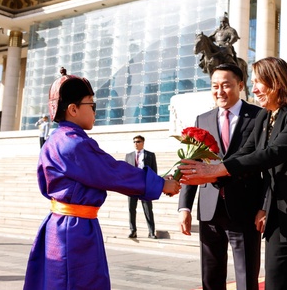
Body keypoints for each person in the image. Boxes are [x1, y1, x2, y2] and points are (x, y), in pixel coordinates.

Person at [178, 57, 287, 290]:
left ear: (276, 82)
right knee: (275, 282)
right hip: (280, 213)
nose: (254, 89)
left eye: (259, 82)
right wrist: (201, 175)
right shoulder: (265, 117)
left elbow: (275, 152)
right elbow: (245, 153)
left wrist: (216, 169)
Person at [23, 68, 180, 290]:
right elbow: (112, 172)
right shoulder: (73, 143)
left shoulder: (56, 140)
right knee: (76, 283)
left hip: (64, 224)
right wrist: (161, 183)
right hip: (73, 231)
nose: (96, 111)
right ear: (73, 109)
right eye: (92, 105)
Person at [178, 63, 263, 290]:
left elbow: (266, 167)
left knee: (246, 278)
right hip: (209, 211)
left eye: (226, 85)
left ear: (240, 85)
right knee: (211, 276)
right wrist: (184, 208)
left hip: (245, 210)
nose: (220, 91)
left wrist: (265, 206)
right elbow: (192, 162)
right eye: (215, 86)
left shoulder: (258, 117)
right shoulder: (202, 120)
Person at [126, 135, 158, 239]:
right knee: (131, 209)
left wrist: (152, 185)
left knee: (148, 209)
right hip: (132, 186)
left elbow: (154, 171)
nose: (136, 143)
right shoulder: (129, 156)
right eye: (134, 141)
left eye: (138, 141)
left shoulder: (150, 155)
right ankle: (133, 231)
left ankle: (151, 232)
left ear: (143, 142)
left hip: (145, 186)